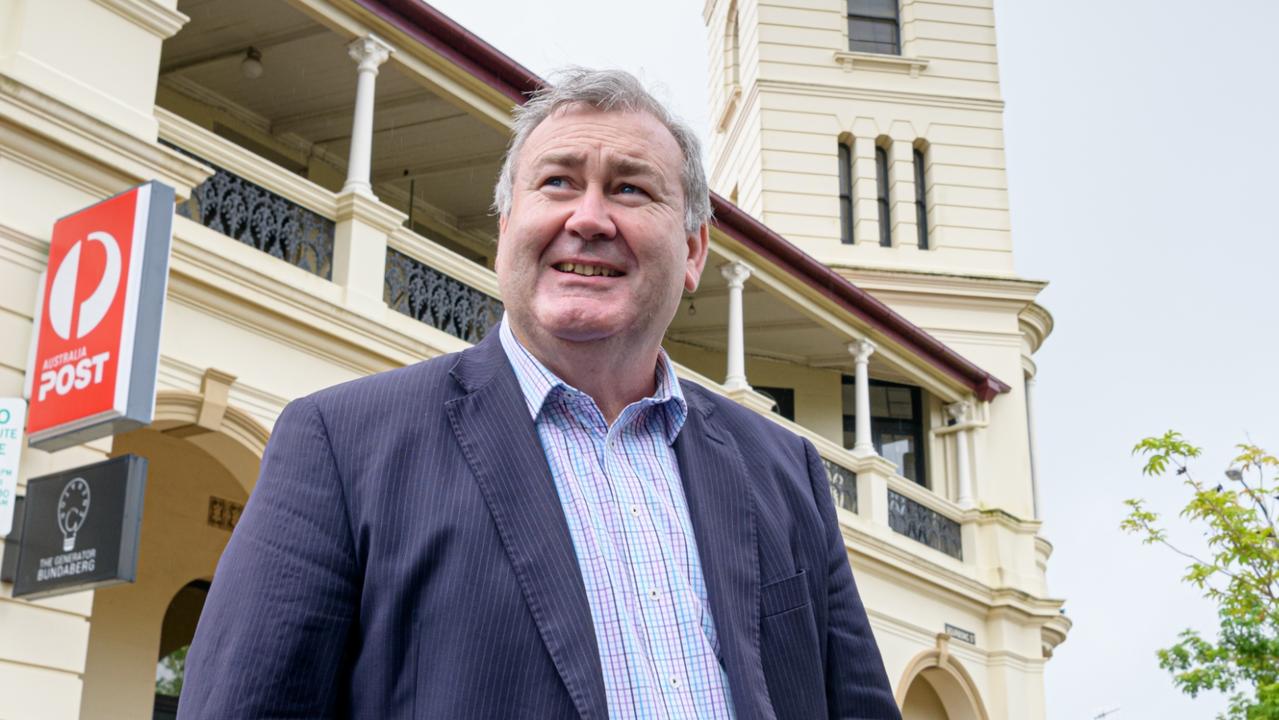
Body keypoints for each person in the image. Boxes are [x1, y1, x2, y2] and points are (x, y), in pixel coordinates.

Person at [180, 68, 900, 720]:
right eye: (556, 183)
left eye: (629, 188)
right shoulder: (340, 446)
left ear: (691, 252)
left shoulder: (786, 473)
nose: (587, 218)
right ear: (505, 232)